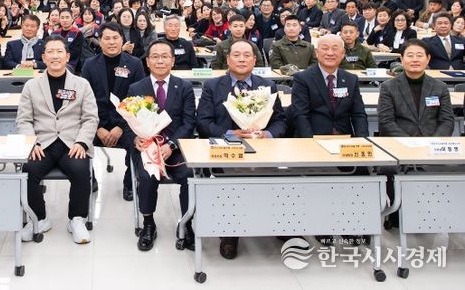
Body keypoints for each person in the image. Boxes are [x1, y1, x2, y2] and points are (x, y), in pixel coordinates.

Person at [197, 38, 287, 259]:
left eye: (247, 55)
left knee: (279, 179)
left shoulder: (268, 86)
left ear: (255, 60)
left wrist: (267, 134)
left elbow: (280, 121)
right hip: (226, 151)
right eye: (236, 55)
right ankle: (230, 233)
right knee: (230, 184)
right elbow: (203, 123)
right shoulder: (212, 86)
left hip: (262, 150)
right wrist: (231, 134)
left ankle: (278, 222)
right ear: (227, 59)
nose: (241, 59)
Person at [16, 35, 98, 244]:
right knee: (28, 171)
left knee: (81, 171)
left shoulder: (82, 84)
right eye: (50, 52)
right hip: (42, 143)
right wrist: (31, 142)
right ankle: (39, 219)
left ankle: (76, 219)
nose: (55, 56)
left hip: (72, 142)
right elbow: (23, 120)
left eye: (59, 51)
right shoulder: (31, 86)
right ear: (43, 57)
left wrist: (82, 142)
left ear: (67, 56)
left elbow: (90, 118)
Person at [123, 40, 196, 251]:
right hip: (146, 147)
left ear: (173, 60)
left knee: (189, 175)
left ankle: (186, 223)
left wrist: (171, 145)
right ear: (147, 61)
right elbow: (127, 122)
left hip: (175, 147)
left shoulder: (184, 87)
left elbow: (188, 123)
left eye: (165, 56)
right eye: (155, 56)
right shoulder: (136, 88)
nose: (160, 61)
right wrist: (135, 139)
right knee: (147, 176)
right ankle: (148, 224)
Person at [82, 22, 146, 201]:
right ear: (100, 41)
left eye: (115, 38)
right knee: (78, 140)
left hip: (126, 123)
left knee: (138, 144)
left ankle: (129, 182)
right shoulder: (89, 65)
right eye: (107, 38)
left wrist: (120, 126)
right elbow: (84, 101)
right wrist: (97, 128)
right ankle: (89, 178)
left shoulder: (135, 64)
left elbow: (138, 100)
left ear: (122, 39)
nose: (111, 42)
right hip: (96, 123)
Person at [290, 34, 369, 137]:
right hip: (314, 137)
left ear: (343, 53)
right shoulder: (303, 78)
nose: (330, 53)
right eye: (325, 48)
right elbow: (300, 115)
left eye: (335, 49)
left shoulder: (351, 79)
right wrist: (309, 142)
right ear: (317, 52)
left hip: (344, 138)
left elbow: (358, 114)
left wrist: (362, 140)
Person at [378, 39, 454, 136]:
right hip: (400, 141)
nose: (415, 60)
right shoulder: (388, 87)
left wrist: (434, 141)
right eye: (410, 56)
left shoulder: (440, 87)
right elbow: (386, 122)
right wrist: (409, 142)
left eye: (419, 56)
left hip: (432, 140)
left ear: (428, 58)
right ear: (402, 59)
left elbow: (447, 121)